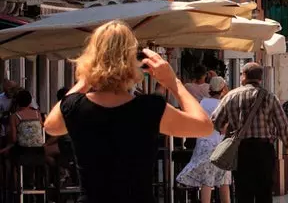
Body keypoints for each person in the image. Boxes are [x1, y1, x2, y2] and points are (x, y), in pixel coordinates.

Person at [44, 20, 214, 203]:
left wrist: (85, 80)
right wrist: (174, 83)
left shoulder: (75, 106)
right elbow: (204, 127)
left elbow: (51, 127)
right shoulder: (149, 107)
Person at [210, 62, 288, 203]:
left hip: (241, 150)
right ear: (260, 78)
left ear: (244, 76)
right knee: (264, 192)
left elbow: (216, 122)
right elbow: (283, 126)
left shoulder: (231, 96)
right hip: (264, 150)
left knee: (243, 193)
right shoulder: (270, 97)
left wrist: (230, 127)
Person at [176, 76, 233, 203]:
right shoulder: (224, 104)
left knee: (206, 182)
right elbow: (225, 128)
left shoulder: (202, 103)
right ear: (223, 89)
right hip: (221, 147)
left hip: (204, 144)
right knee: (224, 181)